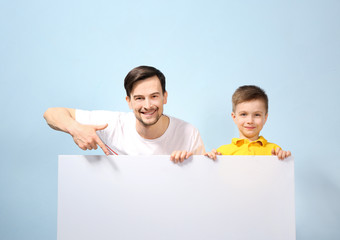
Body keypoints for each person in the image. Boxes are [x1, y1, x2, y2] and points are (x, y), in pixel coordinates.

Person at [44, 66, 205, 163]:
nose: (148, 106)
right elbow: (51, 114)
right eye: (139, 98)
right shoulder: (112, 125)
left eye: (154, 96)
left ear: (165, 97)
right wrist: (76, 129)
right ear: (129, 101)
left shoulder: (188, 133)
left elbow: (202, 185)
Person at [205, 85, 291, 160]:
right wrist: (209, 162)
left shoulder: (274, 151)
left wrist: (283, 159)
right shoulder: (222, 152)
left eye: (257, 115)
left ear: (265, 118)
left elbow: (280, 176)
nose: (250, 121)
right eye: (243, 114)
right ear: (234, 117)